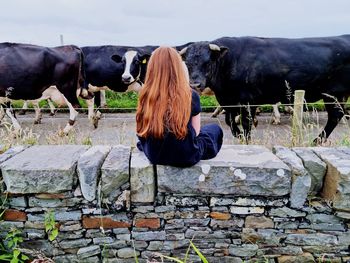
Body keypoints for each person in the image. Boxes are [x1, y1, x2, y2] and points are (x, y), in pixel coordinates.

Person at [136, 46, 223, 167]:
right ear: (178, 68)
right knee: (214, 129)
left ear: (151, 68)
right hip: (186, 156)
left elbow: (141, 129)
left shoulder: (145, 94)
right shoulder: (190, 95)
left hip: (155, 155)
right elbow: (196, 132)